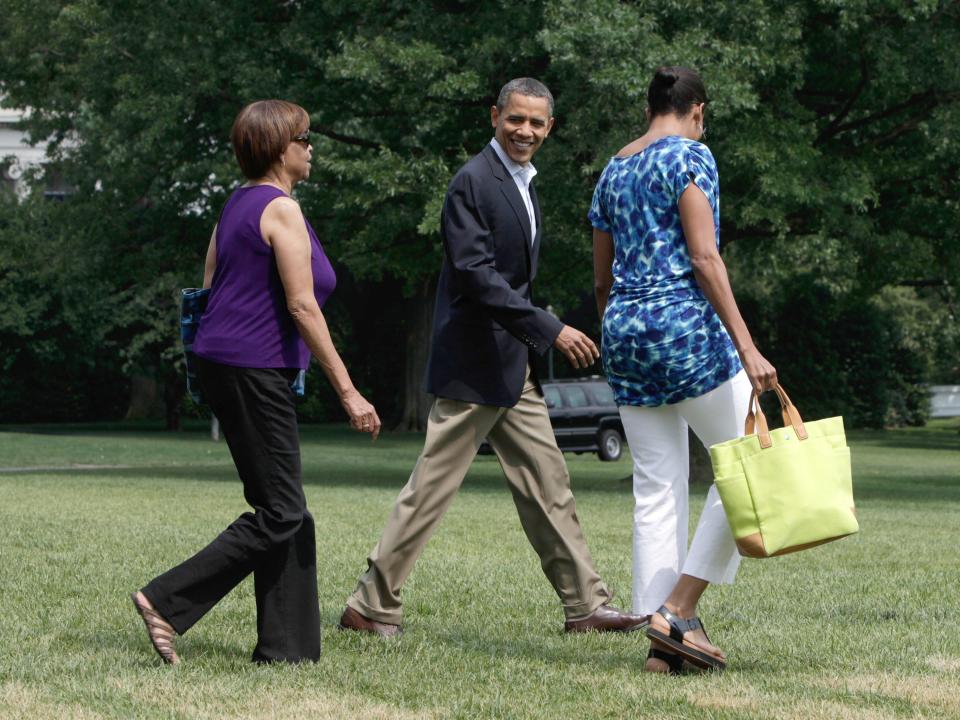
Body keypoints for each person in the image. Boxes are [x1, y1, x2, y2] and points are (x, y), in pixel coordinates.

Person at [338, 78, 646, 637]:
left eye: (536, 122)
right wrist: (549, 329)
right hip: (473, 367)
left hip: (513, 367)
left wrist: (532, 339)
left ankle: (586, 606)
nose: (524, 131)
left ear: (550, 127)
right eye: (515, 120)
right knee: (431, 490)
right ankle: (370, 607)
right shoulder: (473, 182)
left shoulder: (524, 182)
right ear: (494, 117)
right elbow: (477, 278)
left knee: (550, 486)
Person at [131, 99, 381, 665]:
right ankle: (164, 601)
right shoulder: (279, 210)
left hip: (229, 366)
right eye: (304, 139)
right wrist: (348, 390)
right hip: (251, 368)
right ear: (279, 148)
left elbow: (209, 288)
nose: (310, 148)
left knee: (284, 506)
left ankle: (286, 649)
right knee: (281, 512)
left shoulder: (235, 206)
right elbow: (302, 304)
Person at [589, 67, 777, 673]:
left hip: (624, 333)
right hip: (685, 331)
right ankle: (679, 609)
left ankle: (661, 645)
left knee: (657, 488)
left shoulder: (612, 171)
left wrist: (625, 334)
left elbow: (600, 279)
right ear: (696, 109)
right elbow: (703, 256)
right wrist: (747, 347)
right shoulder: (691, 157)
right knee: (750, 465)